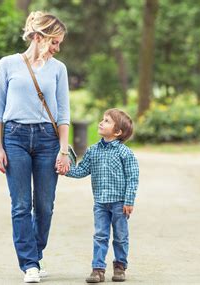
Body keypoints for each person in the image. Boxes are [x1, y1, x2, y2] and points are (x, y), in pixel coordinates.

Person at [0, 11, 71, 283]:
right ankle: (29, 265)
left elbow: (63, 114)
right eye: (54, 42)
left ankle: (35, 253)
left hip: (48, 140)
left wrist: (63, 149)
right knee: (21, 204)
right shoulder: (8, 64)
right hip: (14, 138)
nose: (57, 48)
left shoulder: (58, 69)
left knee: (45, 206)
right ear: (39, 37)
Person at [60, 108, 140, 283]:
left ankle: (120, 267)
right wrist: (66, 170)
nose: (101, 123)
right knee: (100, 235)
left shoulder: (125, 153)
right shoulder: (92, 151)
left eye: (106, 121)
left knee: (120, 237)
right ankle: (98, 270)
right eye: (102, 119)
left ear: (117, 132)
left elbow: (133, 178)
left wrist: (129, 201)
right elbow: (81, 170)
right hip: (100, 204)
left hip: (120, 203)